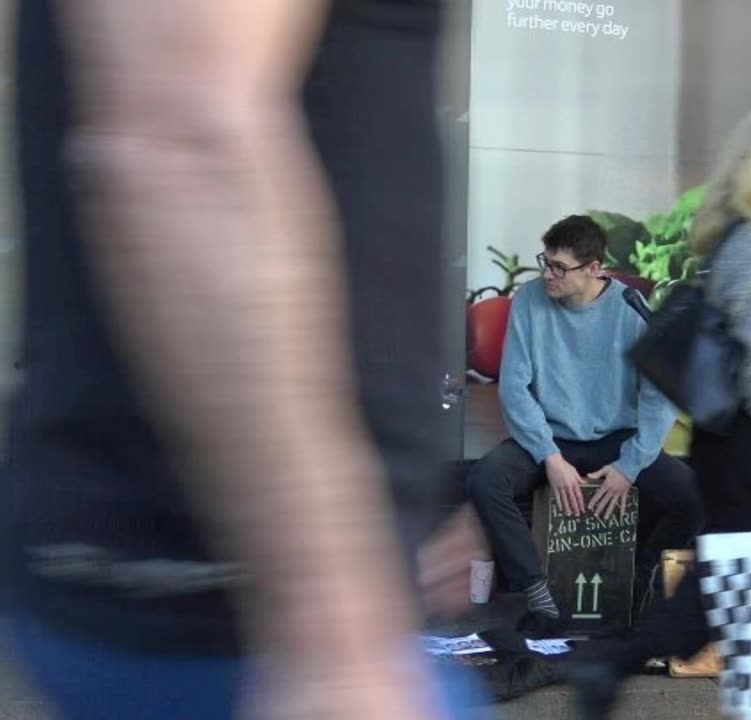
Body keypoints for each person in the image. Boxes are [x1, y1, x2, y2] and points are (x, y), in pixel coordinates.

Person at [4, 0, 487, 717]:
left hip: (270, 589)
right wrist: (330, 616)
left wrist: (388, 513)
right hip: (241, 605)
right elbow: (181, 143)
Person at [569, 106, 751, 719]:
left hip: (725, 445)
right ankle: (616, 662)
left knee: (730, 584)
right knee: (739, 590)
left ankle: (617, 665)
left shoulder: (730, 240)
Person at [466, 215, 702, 632]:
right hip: (549, 435)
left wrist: (630, 465)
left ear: (595, 268)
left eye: (560, 267)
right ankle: (538, 593)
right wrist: (549, 457)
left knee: (690, 495)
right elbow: (515, 388)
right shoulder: (529, 299)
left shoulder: (630, 309)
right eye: (546, 262)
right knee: (486, 479)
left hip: (615, 438)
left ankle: (638, 590)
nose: (548, 274)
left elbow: (658, 395)